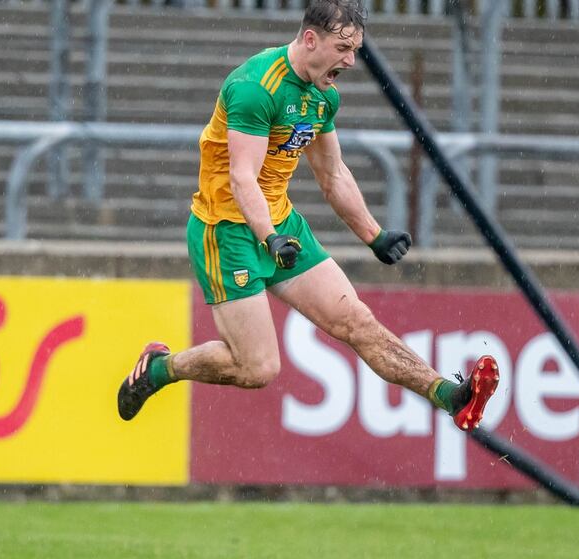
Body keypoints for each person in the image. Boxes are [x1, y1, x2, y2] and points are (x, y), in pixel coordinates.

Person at [116, 0, 499, 433]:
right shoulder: (254, 87)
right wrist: (268, 237)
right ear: (311, 39)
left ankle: (452, 397)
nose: (351, 61)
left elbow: (332, 174)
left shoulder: (323, 96)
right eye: (343, 48)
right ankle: (160, 368)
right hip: (226, 232)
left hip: (280, 225)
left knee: (356, 321)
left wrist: (373, 235)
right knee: (257, 368)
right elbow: (243, 179)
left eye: (355, 50)